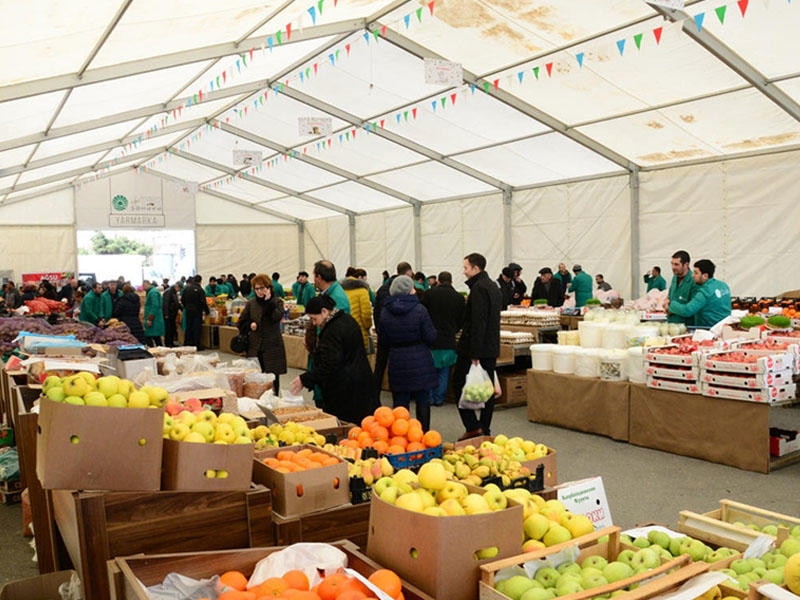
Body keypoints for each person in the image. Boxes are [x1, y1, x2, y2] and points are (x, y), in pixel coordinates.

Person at [290, 295, 378, 424]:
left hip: (345, 390)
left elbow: (329, 364)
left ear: (325, 312)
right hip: (360, 382)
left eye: (314, 319)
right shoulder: (347, 319)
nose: (314, 323)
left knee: (347, 427)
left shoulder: (332, 331)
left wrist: (305, 379)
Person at [452, 253, 502, 440]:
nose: (464, 271)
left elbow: (478, 322)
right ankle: (485, 427)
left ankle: (473, 426)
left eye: (466, 268)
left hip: (475, 348)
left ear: (475, 268)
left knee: (458, 383)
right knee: (487, 389)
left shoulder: (479, 289)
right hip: (490, 347)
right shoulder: (493, 287)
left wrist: (474, 352)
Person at [378, 275, 438, 431]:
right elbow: (431, 336)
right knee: (422, 401)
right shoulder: (420, 310)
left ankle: (401, 435)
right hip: (420, 359)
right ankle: (423, 434)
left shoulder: (385, 312)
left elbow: (383, 340)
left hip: (397, 359)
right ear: (410, 290)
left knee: (400, 403)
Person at [421, 271, 466, 406]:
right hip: (448, 339)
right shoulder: (458, 298)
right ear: (451, 282)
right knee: (444, 371)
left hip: (430, 339)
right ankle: (439, 399)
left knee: (429, 370)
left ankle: (428, 398)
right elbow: (462, 320)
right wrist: (454, 329)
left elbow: (422, 314)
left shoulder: (429, 294)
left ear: (438, 281)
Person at [238, 274, 287, 394]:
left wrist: (268, 302)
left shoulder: (277, 302)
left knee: (273, 380)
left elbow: (276, 317)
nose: (260, 291)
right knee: (255, 380)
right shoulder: (251, 304)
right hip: (255, 347)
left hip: (272, 347)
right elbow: (241, 322)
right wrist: (250, 325)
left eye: (262, 288)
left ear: (269, 288)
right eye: (257, 289)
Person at [373, 261, 414, 394]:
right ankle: (399, 392)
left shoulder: (383, 288)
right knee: (398, 365)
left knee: (380, 364)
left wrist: (379, 329)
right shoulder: (405, 290)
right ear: (407, 273)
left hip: (383, 332)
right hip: (398, 335)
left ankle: (375, 393)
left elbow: (376, 311)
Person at [666, 259, 731, 328]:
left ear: (705, 276)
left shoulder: (706, 291)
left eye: (696, 273)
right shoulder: (723, 285)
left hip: (709, 329)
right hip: (725, 327)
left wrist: (671, 305)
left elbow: (687, 310)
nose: (692, 275)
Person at [340, 268, 373, 351]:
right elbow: (366, 314)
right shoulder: (363, 291)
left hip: (343, 331)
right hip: (359, 332)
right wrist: (368, 326)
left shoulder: (341, 290)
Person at [668, 250, 698, 325]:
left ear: (686, 265)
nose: (673, 267)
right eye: (672, 264)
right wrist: (667, 301)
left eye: (676, 264)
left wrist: (671, 307)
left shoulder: (694, 281)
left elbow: (692, 308)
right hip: (672, 322)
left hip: (686, 325)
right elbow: (670, 296)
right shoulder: (675, 277)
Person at [181, 275, 209, 348]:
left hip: (188, 310)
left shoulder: (187, 289)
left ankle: (187, 343)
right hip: (197, 311)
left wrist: (186, 306)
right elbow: (203, 302)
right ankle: (196, 344)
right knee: (196, 328)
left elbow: (182, 300)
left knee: (188, 327)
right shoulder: (200, 290)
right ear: (200, 281)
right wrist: (207, 311)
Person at [143, 280, 165, 347]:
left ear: (148, 284)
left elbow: (155, 306)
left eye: (144, 285)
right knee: (156, 338)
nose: (143, 288)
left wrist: (150, 318)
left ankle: (153, 352)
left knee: (150, 337)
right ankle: (158, 352)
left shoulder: (153, 292)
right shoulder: (152, 292)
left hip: (154, 320)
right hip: (154, 319)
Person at [162, 281, 182, 347]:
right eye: (179, 288)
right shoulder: (169, 292)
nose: (179, 290)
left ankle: (171, 343)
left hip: (173, 315)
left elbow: (176, 302)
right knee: (168, 330)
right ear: (177, 287)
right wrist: (166, 314)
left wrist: (181, 308)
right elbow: (166, 303)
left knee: (172, 329)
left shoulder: (174, 292)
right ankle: (168, 343)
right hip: (169, 315)